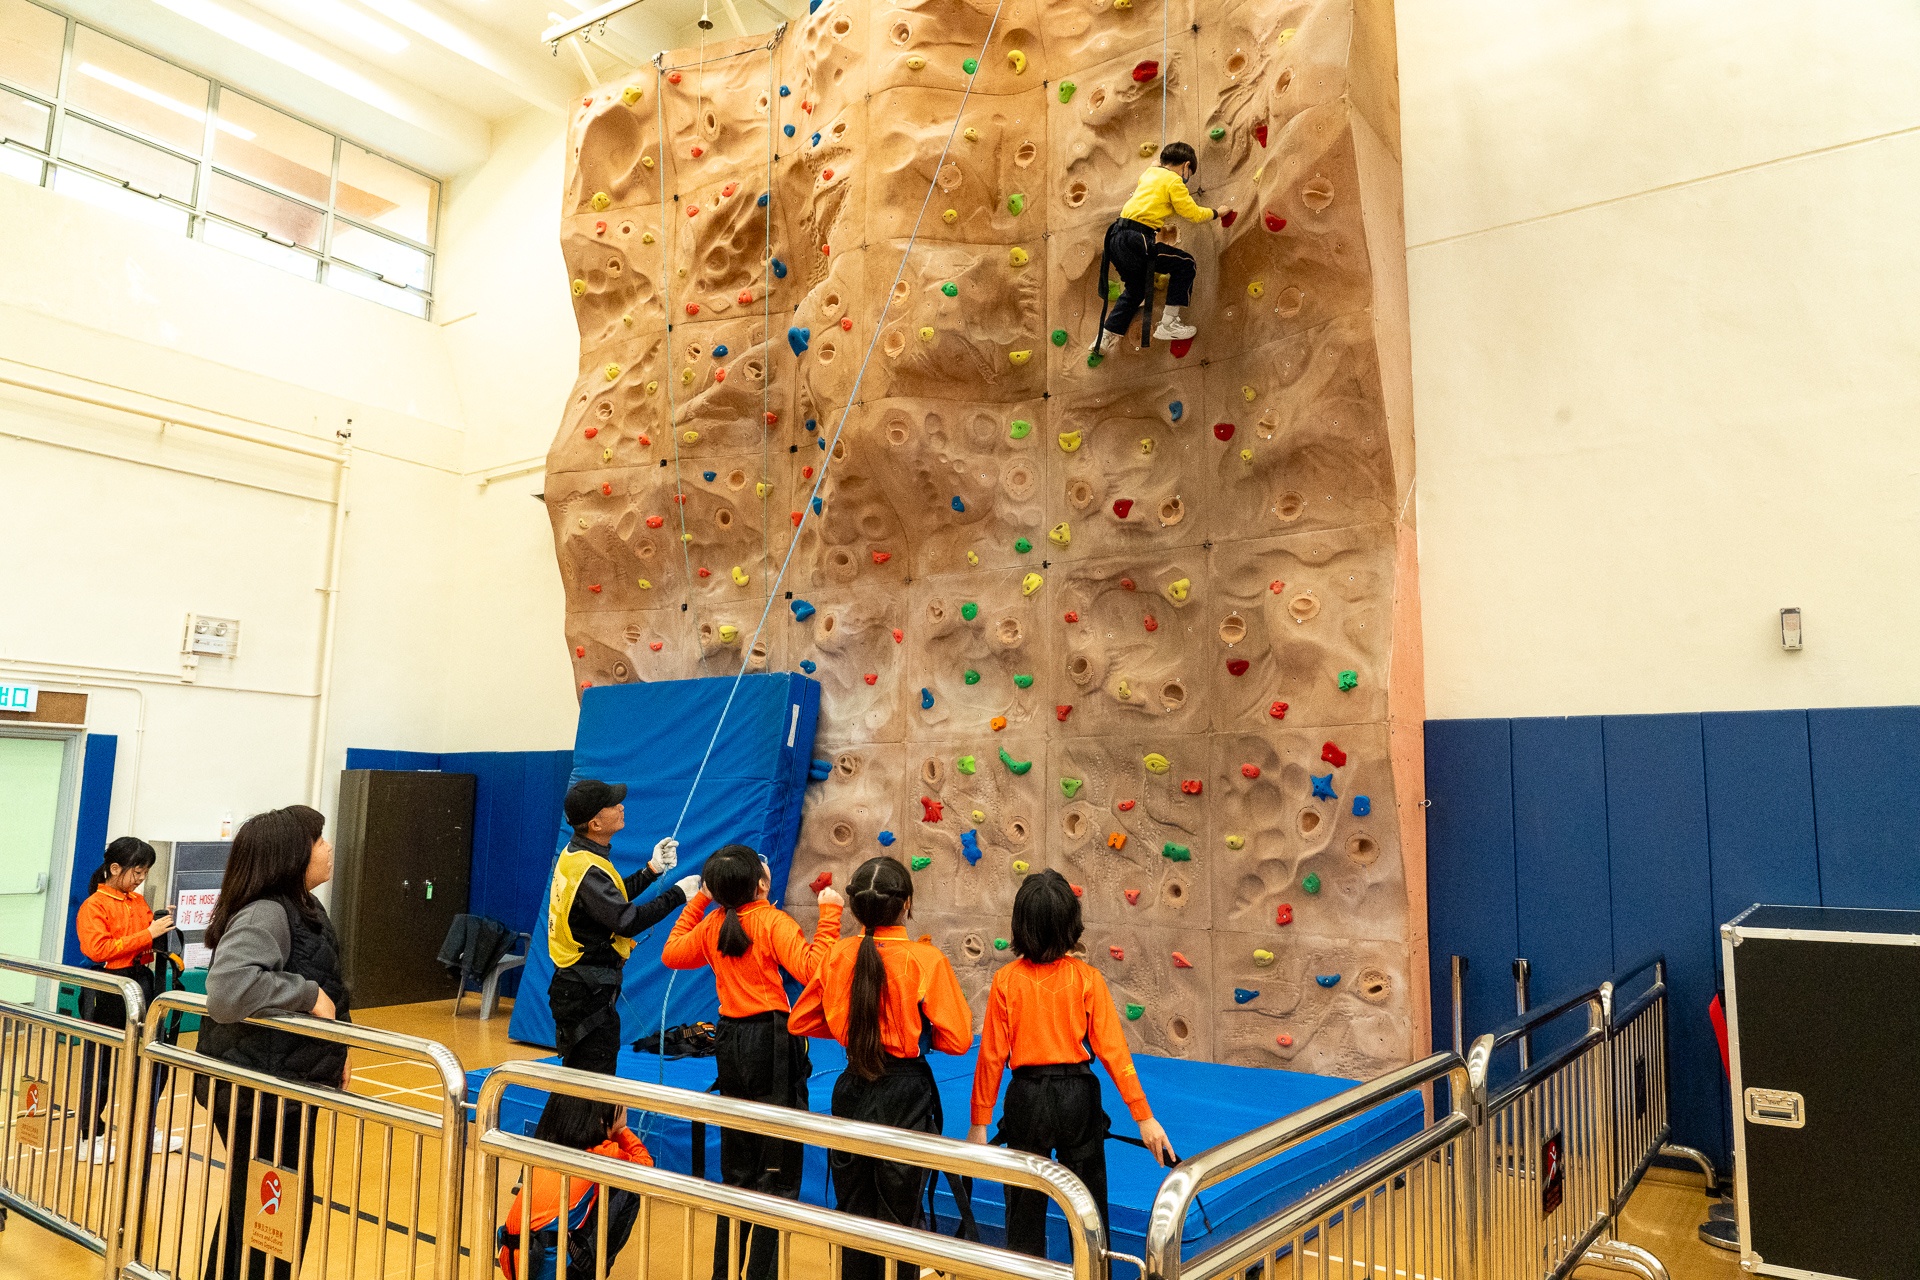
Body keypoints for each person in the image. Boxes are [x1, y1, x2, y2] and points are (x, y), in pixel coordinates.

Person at [967, 870, 1174, 1259]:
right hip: (1077, 1099)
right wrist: (1144, 1117)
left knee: (1024, 1208)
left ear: (1019, 924)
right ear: (1070, 925)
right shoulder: (1087, 978)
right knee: (1089, 1207)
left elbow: (992, 1056)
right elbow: (1114, 1052)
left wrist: (979, 1124)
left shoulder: (1005, 980)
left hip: (1026, 1098)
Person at [661, 844, 844, 1280]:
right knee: (777, 1167)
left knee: (738, 1167)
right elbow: (814, 970)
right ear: (762, 884)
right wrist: (830, 915)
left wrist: (700, 901)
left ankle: (723, 1272)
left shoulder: (713, 924)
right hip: (772, 1044)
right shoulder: (770, 921)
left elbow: (671, 952)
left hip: (731, 1042)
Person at [788, 856, 973, 1280]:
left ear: (853, 907)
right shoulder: (925, 959)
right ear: (906, 904)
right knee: (900, 1217)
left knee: (853, 1211)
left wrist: (852, 1029)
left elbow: (801, 1020)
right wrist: (917, 1034)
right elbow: (959, 1039)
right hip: (905, 1091)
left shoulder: (838, 954)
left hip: (853, 1084)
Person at [199, 804, 350, 1280]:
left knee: (263, 1207)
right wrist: (306, 994)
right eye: (319, 841)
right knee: (271, 1214)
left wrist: (339, 1050)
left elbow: (330, 985)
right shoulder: (267, 912)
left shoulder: (305, 908)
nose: (328, 848)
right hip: (259, 1091)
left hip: (285, 1084)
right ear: (292, 855)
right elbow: (228, 990)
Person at [546, 778, 698, 1073]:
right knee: (591, 1079)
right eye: (612, 804)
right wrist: (678, 895)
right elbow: (627, 920)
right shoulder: (587, 868)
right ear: (595, 824)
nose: (621, 807)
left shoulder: (579, 856)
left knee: (584, 1075)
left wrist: (651, 870)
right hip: (585, 994)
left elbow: (609, 901)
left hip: (579, 988)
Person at [72, 836, 183, 1162]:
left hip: (142, 982)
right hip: (108, 988)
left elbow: (145, 939)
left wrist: (160, 925)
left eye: (145, 872)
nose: (140, 879)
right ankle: (90, 1136)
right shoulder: (94, 906)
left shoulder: (136, 901)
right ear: (115, 868)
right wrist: (148, 933)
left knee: (150, 1057)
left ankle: (145, 1128)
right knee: (102, 1065)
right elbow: (99, 949)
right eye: (137, 871)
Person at [496, 1093, 653, 1280]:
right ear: (600, 1117)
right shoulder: (602, 1153)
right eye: (619, 1103)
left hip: (513, 1259)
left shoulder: (551, 1144)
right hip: (546, 1266)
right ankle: (594, 1272)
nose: (625, 1105)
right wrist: (621, 1129)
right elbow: (645, 1167)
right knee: (629, 1188)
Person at [1093, 141, 1226, 356]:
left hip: (1116, 238)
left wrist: (1156, 166)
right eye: (1189, 174)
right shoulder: (1174, 181)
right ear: (1186, 165)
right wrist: (1217, 212)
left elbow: (1154, 176)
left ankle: (1104, 336)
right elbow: (1192, 214)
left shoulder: (1150, 174)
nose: (1186, 179)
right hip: (1138, 238)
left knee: (1136, 289)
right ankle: (1169, 323)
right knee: (1185, 264)